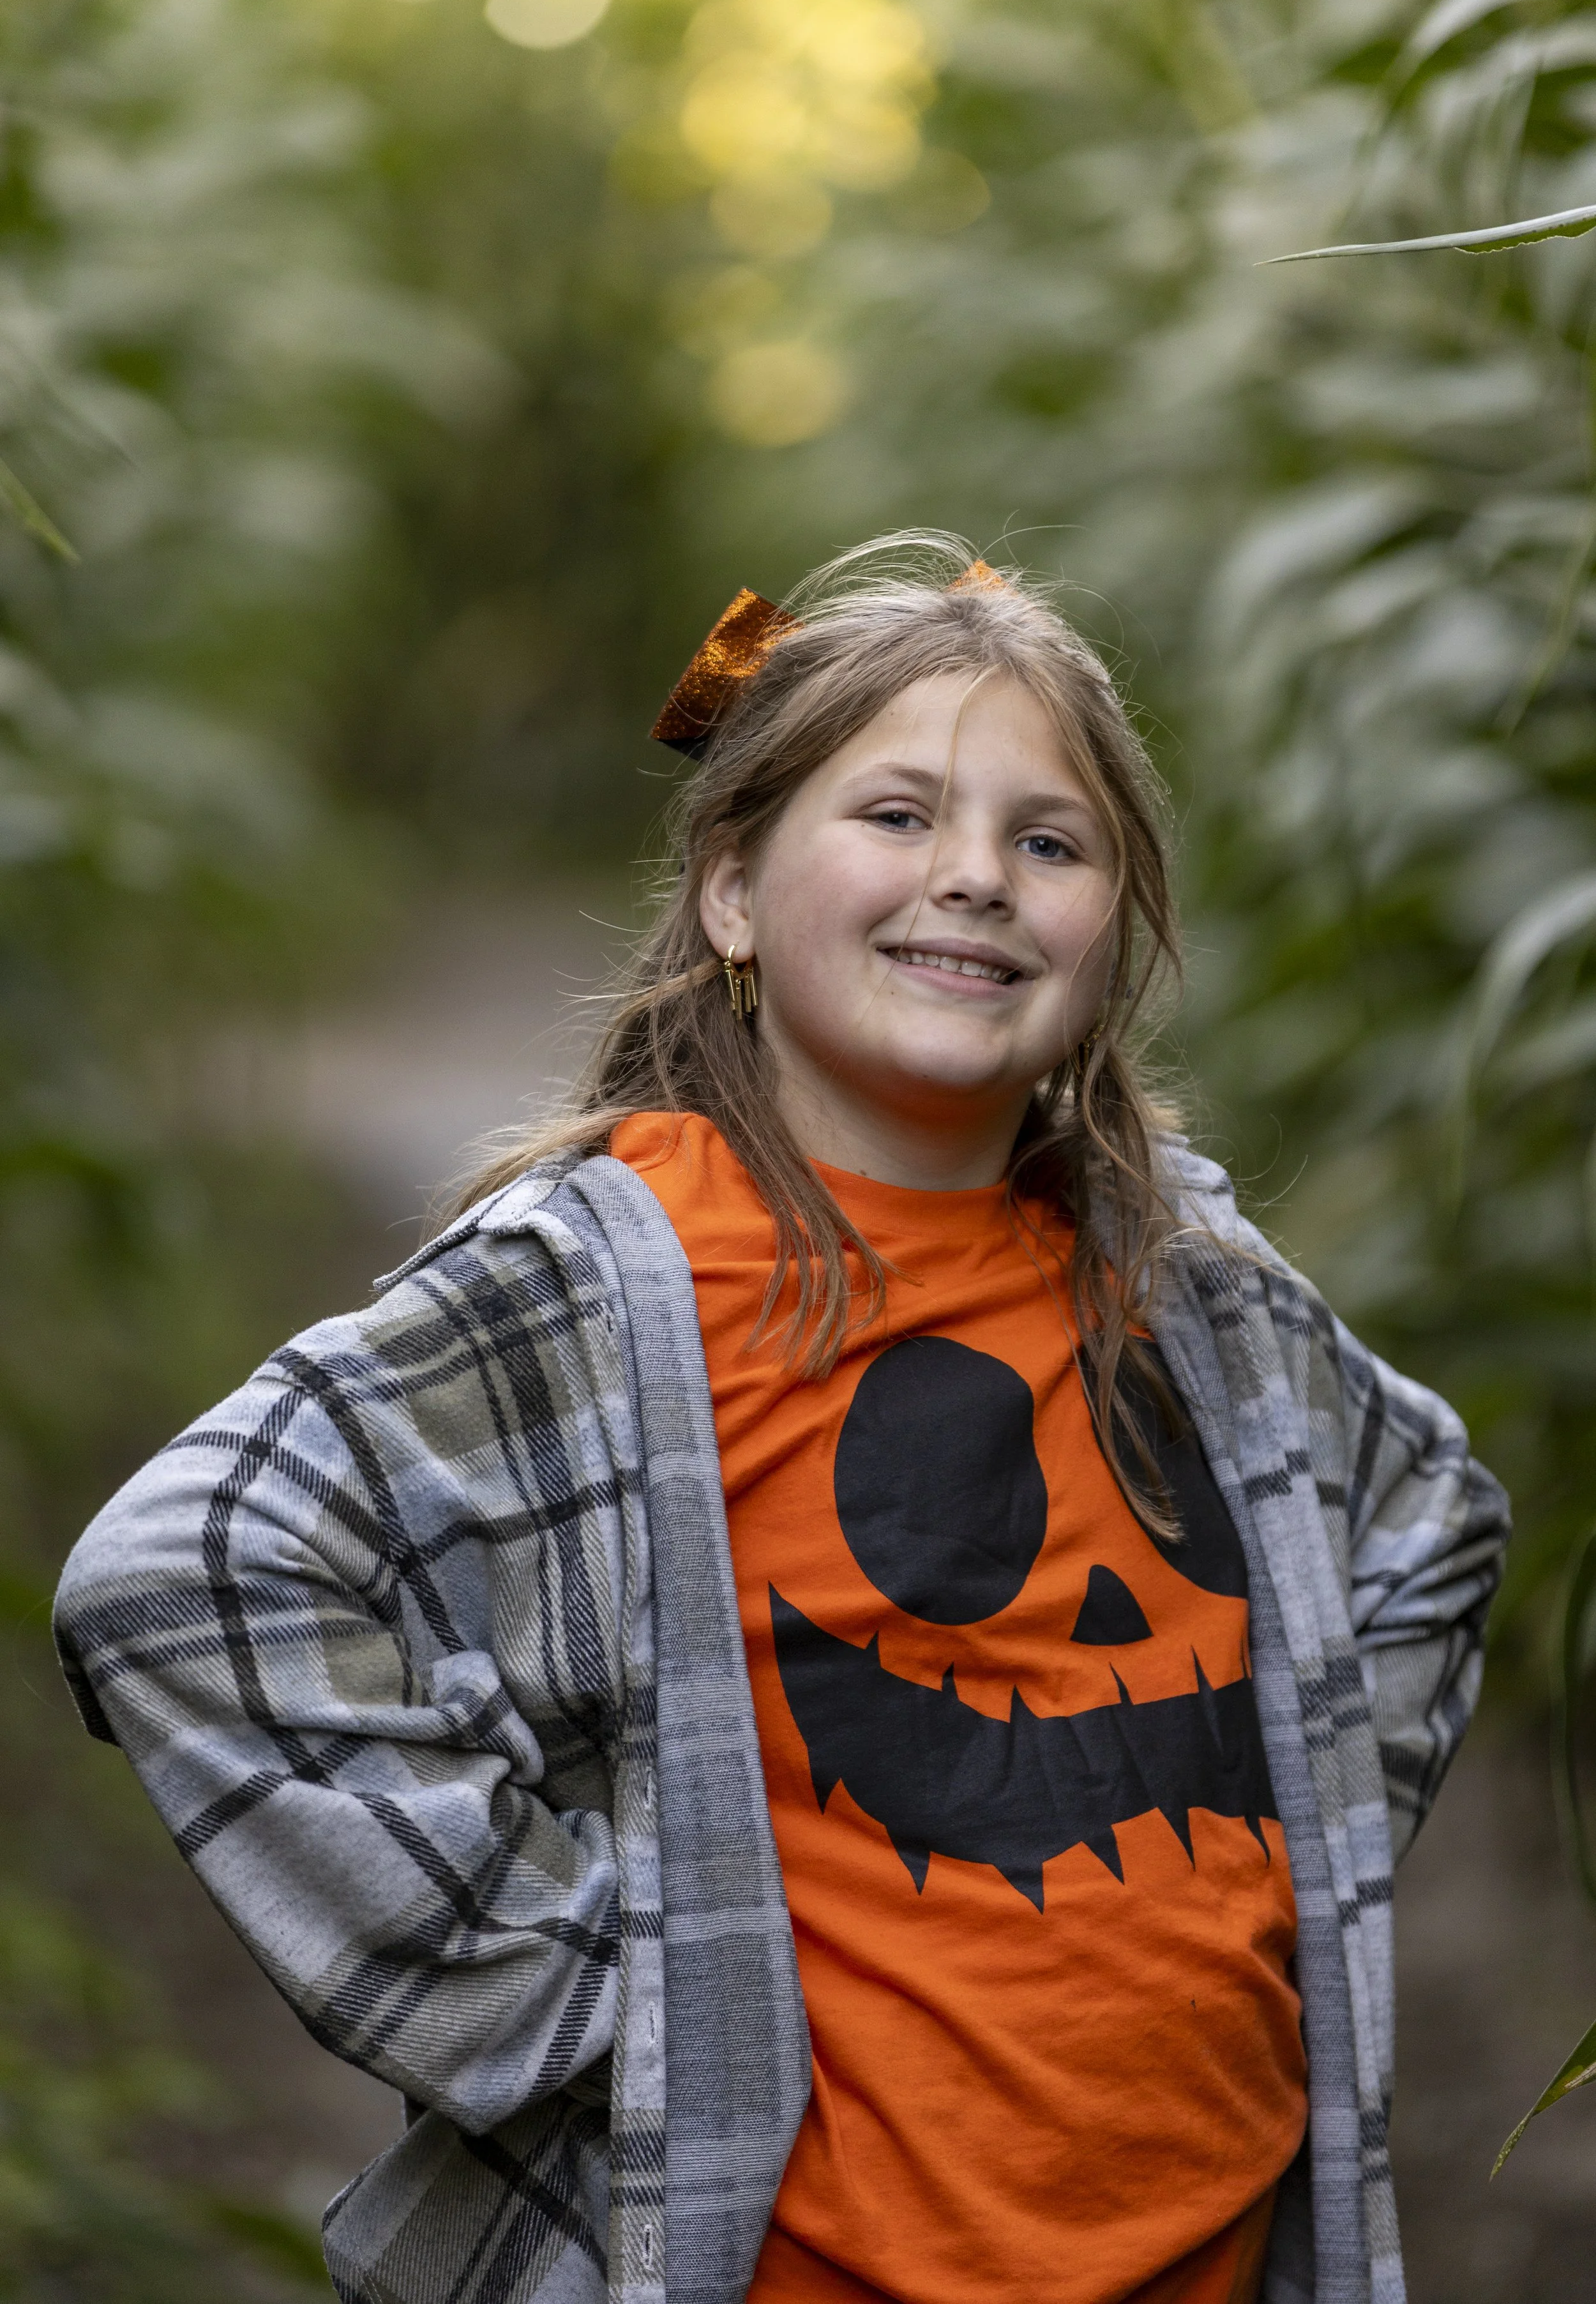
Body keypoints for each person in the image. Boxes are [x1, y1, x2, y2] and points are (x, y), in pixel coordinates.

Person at [53, 536, 1508, 2304]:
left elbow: (1428, 1515)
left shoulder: (1185, 1288)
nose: (974, 876)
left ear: (1111, 933)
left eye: (1050, 843)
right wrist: (577, 2005)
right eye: (897, 815)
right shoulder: (610, 1283)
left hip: (1217, 2253)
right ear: (732, 892)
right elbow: (187, 1574)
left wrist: (1299, 1862)